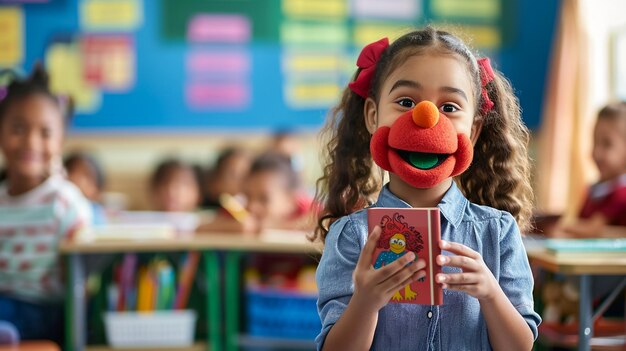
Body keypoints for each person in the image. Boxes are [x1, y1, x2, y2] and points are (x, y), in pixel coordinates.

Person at [312, 27, 540, 350]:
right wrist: (366, 302)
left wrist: (490, 293)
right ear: (373, 117)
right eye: (406, 101)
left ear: (473, 131)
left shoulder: (498, 232)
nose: (426, 117)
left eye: (450, 107)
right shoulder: (352, 236)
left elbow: (521, 346)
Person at [0, 66, 92, 344]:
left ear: (61, 141)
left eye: (45, 133)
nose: (31, 142)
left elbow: (80, 271)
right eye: (18, 128)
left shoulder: (63, 200)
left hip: (45, 310)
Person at [198, 152, 314, 234]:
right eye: (248, 196)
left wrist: (276, 227)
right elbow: (200, 228)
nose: (252, 206)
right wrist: (238, 226)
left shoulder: (306, 207)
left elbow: (326, 222)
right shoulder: (242, 211)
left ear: (291, 200)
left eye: (264, 199)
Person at [558, 102, 626, 238]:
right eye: (595, 142)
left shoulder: (621, 193)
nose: (596, 152)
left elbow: (592, 229)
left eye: (607, 144)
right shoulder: (594, 191)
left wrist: (561, 227)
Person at [64, 151, 107, 224]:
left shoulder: (95, 215)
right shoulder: (58, 206)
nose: (77, 179)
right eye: (72, 171)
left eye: (86, 176)